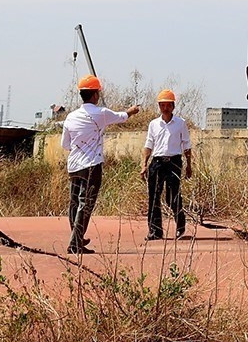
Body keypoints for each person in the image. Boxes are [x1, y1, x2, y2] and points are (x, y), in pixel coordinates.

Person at [60, 75, 140, 254]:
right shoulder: (101, 114)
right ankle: (75, 243)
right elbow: (122, 116)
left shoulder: (71, 117)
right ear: (95, 95)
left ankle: (77, 237)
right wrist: (132, 111)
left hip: (74, 165)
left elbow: (65, 145)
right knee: (85, 204)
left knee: (74, 203)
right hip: (91, 165)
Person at [140, 89, 193, 240]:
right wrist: (144, 165)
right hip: (157, 163)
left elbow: (187, 145)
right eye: (162, 105)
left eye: (168, 105)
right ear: (159, 106)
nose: (165, 108)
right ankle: (155, 231)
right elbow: (148, 145)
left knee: (172, 196)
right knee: (154, 197)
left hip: (174, 162)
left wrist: (189, 165)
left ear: (173, 106)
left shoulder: (180, 124)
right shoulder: (154, 124)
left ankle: (180, 225)